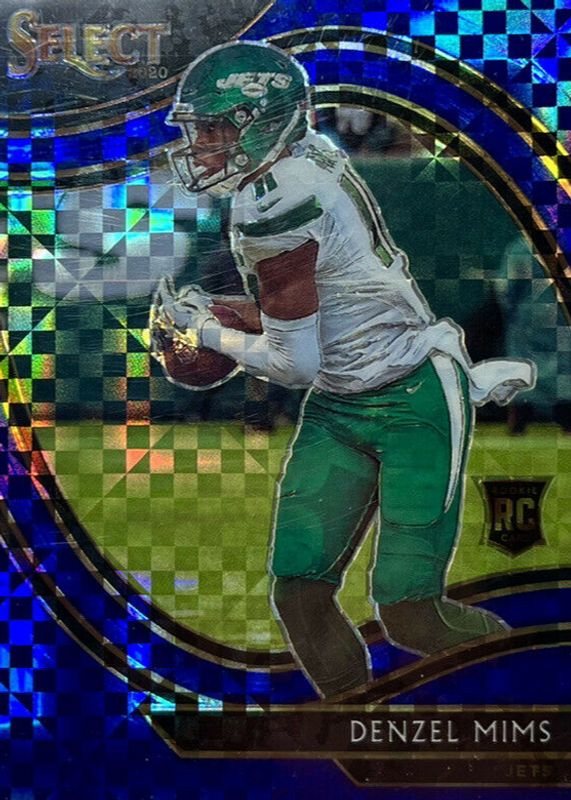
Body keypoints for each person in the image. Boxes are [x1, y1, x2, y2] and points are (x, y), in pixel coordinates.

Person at [150, 40, 536, 699]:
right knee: (299, 592)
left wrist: (208, 330)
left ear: (259, 124)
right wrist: (224, 314)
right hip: (341, 403)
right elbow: (318, 305)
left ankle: (531, 683)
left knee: (409, 613)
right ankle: (355, 726)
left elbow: (292, 362)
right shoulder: (300, 162)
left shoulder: (277, 200)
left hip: (413, 396)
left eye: (213, 129)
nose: (201, 146)